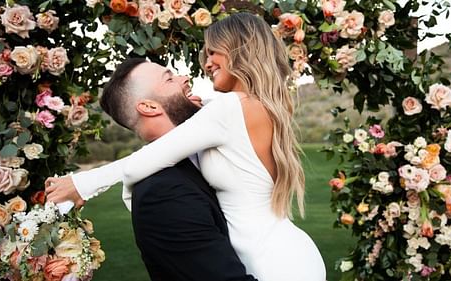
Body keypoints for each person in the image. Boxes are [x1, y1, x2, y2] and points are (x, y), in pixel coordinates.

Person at [46, 13, 326, 281]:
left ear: (239, 50)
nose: (207, 63)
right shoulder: (250, 107)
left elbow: (145, 161)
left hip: (274, 262)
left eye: (214, 52)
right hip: (287, 253)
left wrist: (82, 184)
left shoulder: (228, 109)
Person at [88, 57, 258, 281]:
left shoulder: (204, 158)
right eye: (169, 79)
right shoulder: (163, 193)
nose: (185, 78)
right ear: (149, 107)